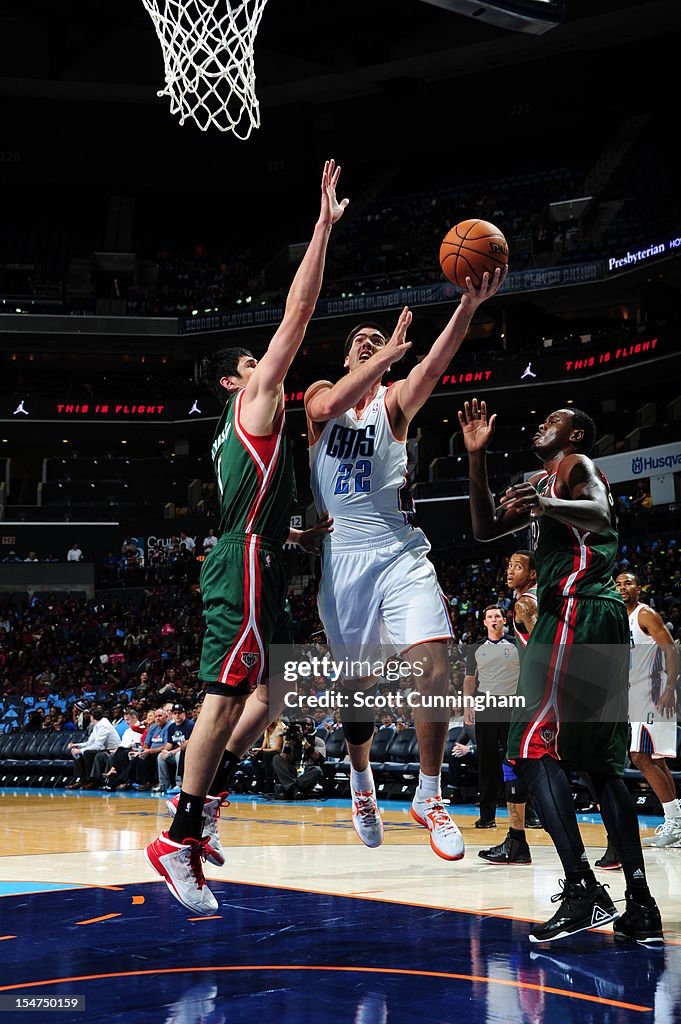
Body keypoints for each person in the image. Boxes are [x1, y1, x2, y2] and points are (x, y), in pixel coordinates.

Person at [145, 159, 348, 915]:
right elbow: (297, 315)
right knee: (221, 701)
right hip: (243, 565)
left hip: (258, 554)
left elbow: (268, 507)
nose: (264, 363)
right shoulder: (257, 397)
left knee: (278, 689)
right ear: (237, 381)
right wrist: (321, 229)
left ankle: (209, 805)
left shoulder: (248, 432)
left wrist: (302, 525)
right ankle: (177, 835)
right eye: (250, 362)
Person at [305, 266, 506, 861]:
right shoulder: (322, 400)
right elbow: (334, 397)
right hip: (344, 561)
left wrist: (467, 307)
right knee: (357, 691)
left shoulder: (393, 407)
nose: (368, 345)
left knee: (434, 662)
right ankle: (361, 780)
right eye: (358, 343)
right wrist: (383, 352)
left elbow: (436, 366)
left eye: (377, 341)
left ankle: (429, 793)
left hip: (399, 549)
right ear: (347, 358)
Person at [460, 398, 664, 945]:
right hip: (591, 615)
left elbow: (601, 514)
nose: (541, 422)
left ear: (575, 435)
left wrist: (546, 504)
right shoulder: (538, 480)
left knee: (527, 744)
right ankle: (641, 905)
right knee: (600, 766)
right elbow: (483, 530)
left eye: (555, 420)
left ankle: (581, 889)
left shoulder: (576, 468)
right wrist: (476, 459)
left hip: (573, 609)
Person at [595, 572, 679, 866]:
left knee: (641, 755)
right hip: (633, 696)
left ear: (638, 588)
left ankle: (675, 820)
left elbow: (671, 648)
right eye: (617, 584)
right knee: (653, 758)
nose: (622, 588)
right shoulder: (619, 620)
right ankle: (676, 819)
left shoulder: (646, 614)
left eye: (627, 583)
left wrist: (670, 688)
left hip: (654, 692)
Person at [479, 550, 540, 864]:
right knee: (515, 760)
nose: (509, 570)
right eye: (508, 564)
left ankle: (518, 841)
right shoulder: (537, 598)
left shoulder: (525, 603)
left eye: (518, 566)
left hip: (536, 696)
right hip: (539, 694)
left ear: (532, 575)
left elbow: (544, 646)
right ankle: (516, 840)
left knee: (517, 763)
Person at [463, 605, 521, 835]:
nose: (494, 619)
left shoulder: (516, 644)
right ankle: (487, 816)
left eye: (497, 615)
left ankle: (529, 812)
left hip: (512, 705)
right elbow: (469, 679)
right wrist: (468, 705)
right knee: (486, 761)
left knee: (517, 759)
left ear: (504, 620)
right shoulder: (476, 648)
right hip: (486, 705)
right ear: (485, 622)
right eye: (489, 617)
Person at [65, 706, 120, 789]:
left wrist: (80, 750)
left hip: (111, 750)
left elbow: (98, 746)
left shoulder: (103, 726)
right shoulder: (98, 725)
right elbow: (90, 742)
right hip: (103, 749)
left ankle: (93, 780)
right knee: (77, 753)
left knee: (87, 753)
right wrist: (77, 745)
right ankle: (82, 780)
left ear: (92, 716)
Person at [272, 716, 326, 798]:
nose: (306, 727)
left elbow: (318, 758)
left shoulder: (318, 741)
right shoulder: (291, 740)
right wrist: (288, 742)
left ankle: (290, 787)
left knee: (317, 770)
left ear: (313, 726)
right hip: (293, 768)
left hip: (308, 769)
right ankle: (295, 789)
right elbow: (285, 758)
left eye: (308, 725)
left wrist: (303, 740)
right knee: (277, 759)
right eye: (303, 725)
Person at [155, 703, 194, 794]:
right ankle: (164, 785)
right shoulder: (171, 727)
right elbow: (169, 743)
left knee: (179, 755)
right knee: (160, 756)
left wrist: (171, 752)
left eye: (179, 713)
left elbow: (186, 745)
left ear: (184, 714)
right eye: (175, 713)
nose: (177, 715)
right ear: (172, 714)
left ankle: (179, 784)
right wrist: (165, 751)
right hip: (174, 752)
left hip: (186, 753)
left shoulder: (190, 725)